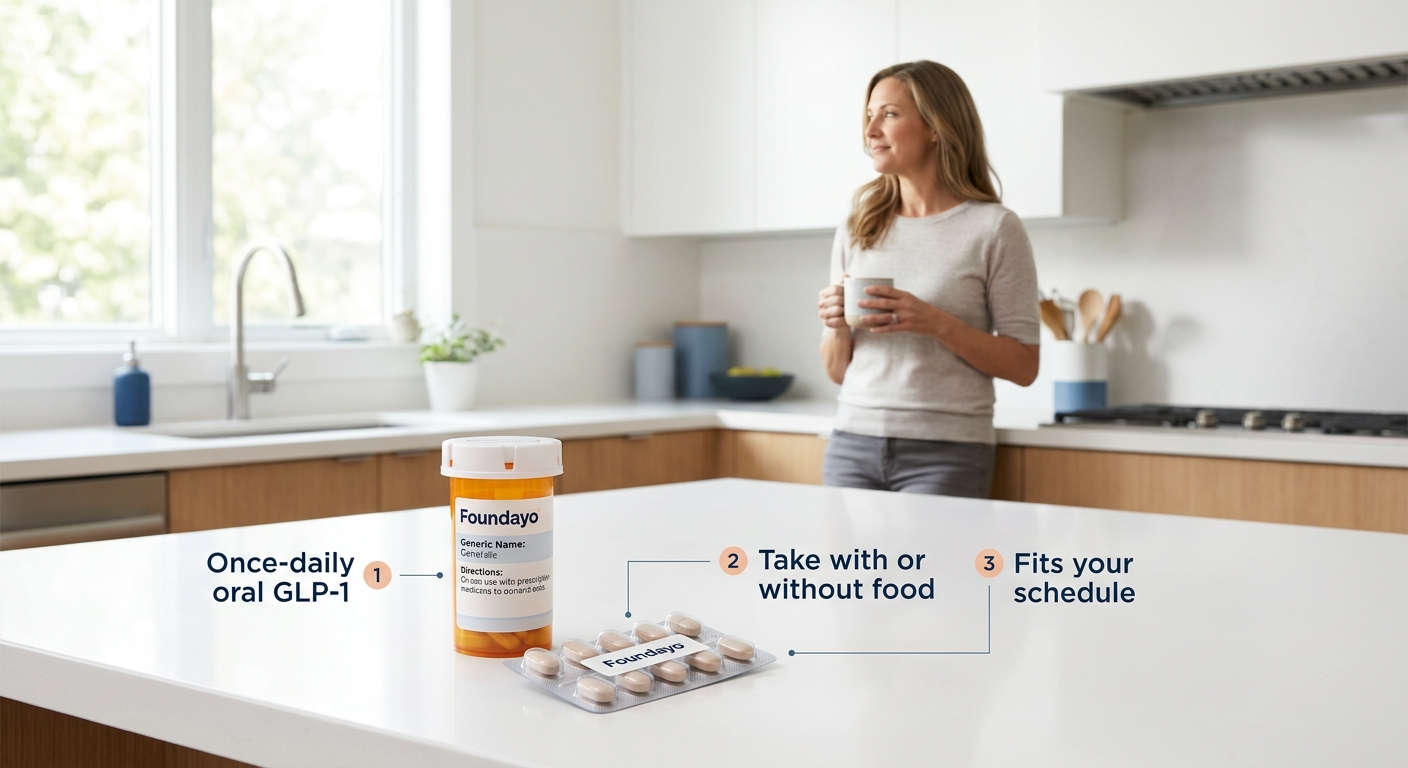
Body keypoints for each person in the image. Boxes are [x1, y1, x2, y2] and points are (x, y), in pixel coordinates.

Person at [816, 60, 1040, 497]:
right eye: (869, 116)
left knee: (931, 569)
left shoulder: (993, 228)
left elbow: (1024, 365)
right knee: (849, 569)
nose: (871, 130)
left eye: (890, 114)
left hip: (947, 451)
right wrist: (835, 325)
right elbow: (837, 371)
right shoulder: (859, 225)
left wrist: (935, 322)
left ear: (935, 127)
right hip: (851, 443)